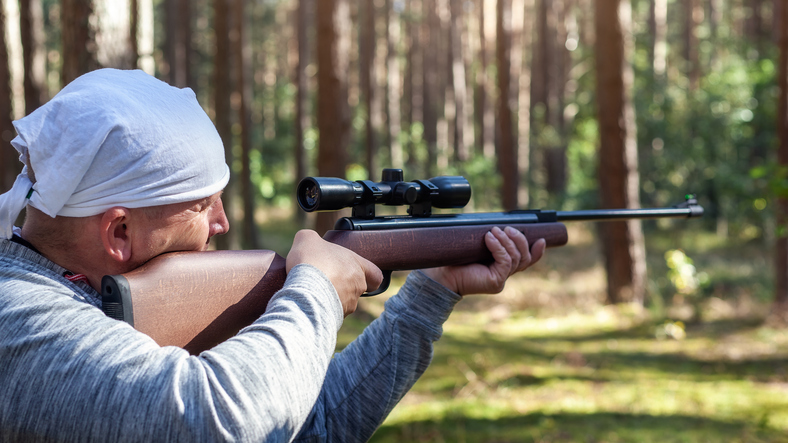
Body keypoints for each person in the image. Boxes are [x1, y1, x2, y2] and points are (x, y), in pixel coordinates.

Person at [0, 69, 546, 442]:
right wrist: (316, 290)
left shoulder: (87, 295)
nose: (223, 223)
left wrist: (432, 289)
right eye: (203, 206)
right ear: (119, 231)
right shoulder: (18, 318)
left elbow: (312, 426)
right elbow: (216, 424)